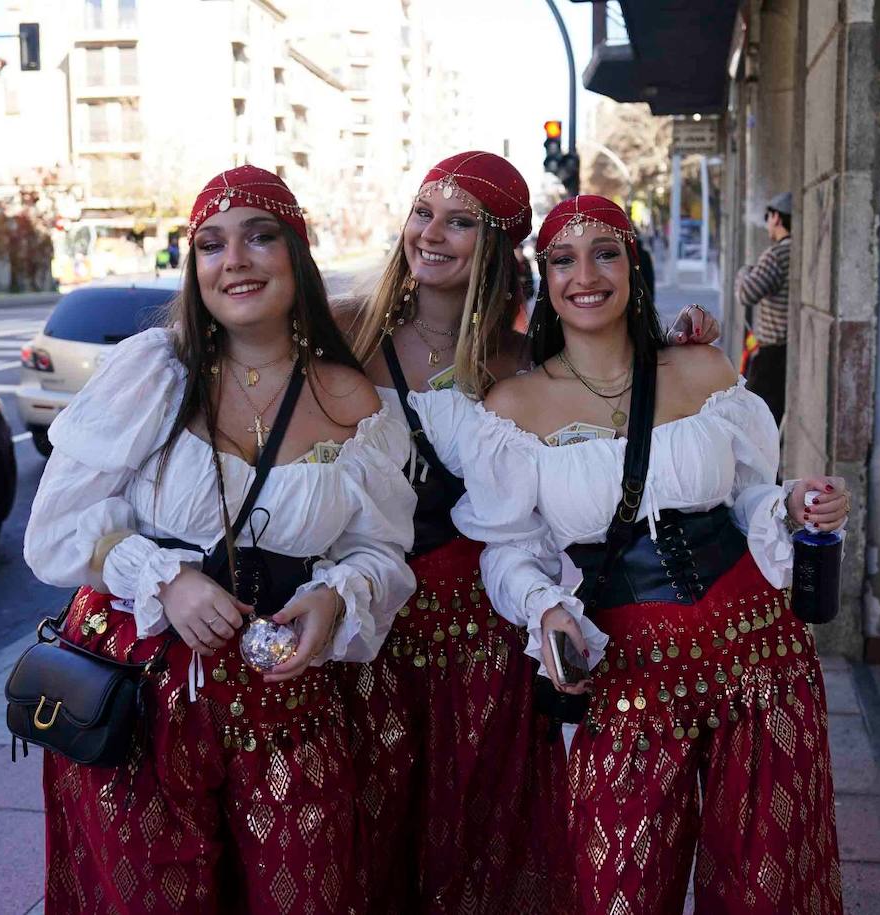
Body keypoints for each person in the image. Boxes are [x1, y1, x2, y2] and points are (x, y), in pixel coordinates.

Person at [24, 165, 417, 914]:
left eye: (259, 236)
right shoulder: (154, 374)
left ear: (296, 257)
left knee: (301, 889)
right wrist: (164, 576)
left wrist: (335, 597)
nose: (233, 258)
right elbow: (53, 533)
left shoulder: (354, 400)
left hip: (287, 705)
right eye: (210, 244)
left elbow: (380, 549)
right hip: (139, 699)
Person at [340, 152, 723, 915]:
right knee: (369, 823)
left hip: (482, 633)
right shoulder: (346, 329)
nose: (434, 233)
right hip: (369, 621)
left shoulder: (519, 362)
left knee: (481, 833)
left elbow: (604, 392)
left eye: (461, 221)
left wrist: (673, 346)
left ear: (498, 245)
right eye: (424, 212)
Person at [455, 195, 849, 915]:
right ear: (543, 277)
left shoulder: (700, 368)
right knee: (620, 890)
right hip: (628, 675)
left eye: (606, 252)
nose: (586, 274)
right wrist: (547, 611)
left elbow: (749, 497)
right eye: (564, 259)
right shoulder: (511, 409)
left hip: (756, 656)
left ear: (634, 263)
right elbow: (509, 552)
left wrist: (793, 505)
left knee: (767, 886)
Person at [734, 191, 792, 423]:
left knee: (757, 420)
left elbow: (746, 294)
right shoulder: (798, 251)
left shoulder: (776, 254)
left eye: (769, 218)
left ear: (776, 217)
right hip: (788, 349)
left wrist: (744, 272)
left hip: (772, 353)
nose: (768, 224)